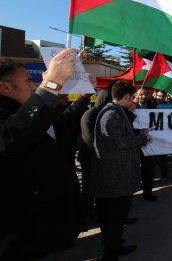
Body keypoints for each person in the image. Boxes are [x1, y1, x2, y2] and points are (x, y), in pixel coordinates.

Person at [0, 50, 89, 259]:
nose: (34, 86)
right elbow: (13, 137)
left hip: (49, 223)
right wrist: (51, 83)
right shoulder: (15, 117)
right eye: (29, 81)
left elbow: (62, 124)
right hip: (20, 233)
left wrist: (83, 96)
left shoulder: (36, 112)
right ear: (4, 87)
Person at [90, 81, 151, 260]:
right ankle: (111, 252)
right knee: (114, 217)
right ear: (125, 96)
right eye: (132, 97)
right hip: (114, 176)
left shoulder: (116, 111)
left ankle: (114, 244)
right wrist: (142, 138)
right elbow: (122, 141)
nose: (133, 100)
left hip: (116, 174)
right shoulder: (110, 114)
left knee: (115, 217)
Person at [79, 89, 111, 227]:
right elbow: (89, 139)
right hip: (90, 157)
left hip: (102, 158)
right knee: (89, 187)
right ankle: (87, 214)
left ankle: (99, 212)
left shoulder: (104, 113)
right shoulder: (89, 115)